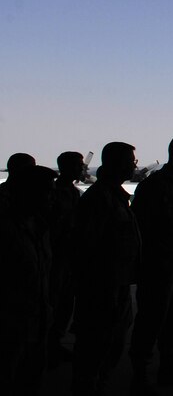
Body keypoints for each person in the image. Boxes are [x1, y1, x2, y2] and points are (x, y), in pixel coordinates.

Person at [129, 134, 173, 393]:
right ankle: (140, 374)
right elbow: (140, 226)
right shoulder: (155, 185)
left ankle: (167, 365)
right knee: (151, 319)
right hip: (158, 266)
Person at [72, 142, 141, 396]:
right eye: (130, 161)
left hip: (117, 284)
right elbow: (87, 246)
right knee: (95, 344)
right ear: (114, 163)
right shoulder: (99, 198)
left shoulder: (115, 196)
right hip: (101, 287)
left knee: (112, 342)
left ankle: (98, 384)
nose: (133, 165)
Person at [0, 163, 54, 395]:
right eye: (46, 192)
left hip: (36, 321)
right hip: (10, 324)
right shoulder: (6, 230)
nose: (51, 199)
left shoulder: (39, 228)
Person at [47, 150, 84, 366]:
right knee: (54, 302)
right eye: (78, 165)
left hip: (70, 259)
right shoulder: (53, 193)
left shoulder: (74, 192)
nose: (83, 168)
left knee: (64, 305)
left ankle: (54, 343)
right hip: (56, 259)